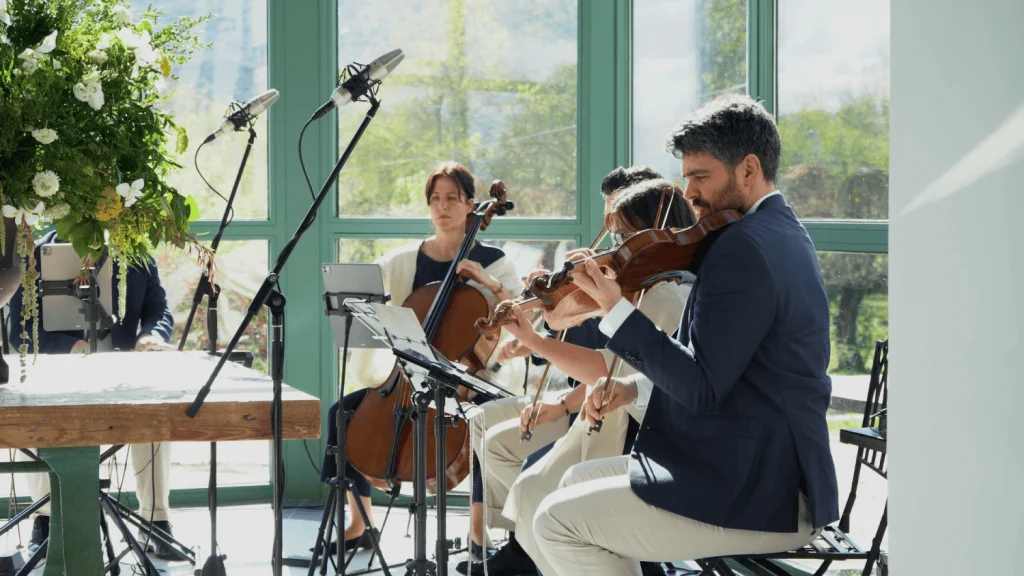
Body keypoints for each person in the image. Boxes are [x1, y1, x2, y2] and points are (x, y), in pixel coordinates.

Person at [529, 94, 840, 575]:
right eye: (686, 176)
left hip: (760, 487)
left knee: (554, 522)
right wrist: (632, 388)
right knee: (571, 482)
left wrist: (614, 309)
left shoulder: (743, 247)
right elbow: (726, 366)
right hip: (754, 463)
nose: (688, 193)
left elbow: (701, 387)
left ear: (748, 169)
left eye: (700, 177)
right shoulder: (783, 230)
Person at [463, 179, 695, 576]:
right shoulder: (642, 291)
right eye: (616, 237)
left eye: (624, 236)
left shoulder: (665, 296)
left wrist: (535, 339)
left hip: (645, 436)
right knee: (531, 487)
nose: (617, 249)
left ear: (658, 234)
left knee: (543, 494)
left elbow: (605, 367)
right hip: (608, 418)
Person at [320, 161, 526, 554]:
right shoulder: (402, 260)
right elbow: (363, 298)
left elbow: (522, 316)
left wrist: (489, 284)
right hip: (409, 379)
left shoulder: (495, 262)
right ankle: (361, 522)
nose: (442, 206)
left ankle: (478, 532)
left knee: (487, 425)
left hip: (470, 379)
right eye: (435, 199)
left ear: (471, 205)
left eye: (452, 198)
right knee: (341, 414)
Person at [8, 229, 177, 558]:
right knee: (32, 410)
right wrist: (71, 346)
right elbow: (20, 329)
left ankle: (155, 520)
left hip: (122, 372)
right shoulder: (36, 255)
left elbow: (160, 312)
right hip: (58, 373)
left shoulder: (137, 253)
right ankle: (46, 519)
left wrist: (151, 336)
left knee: (155, 412)